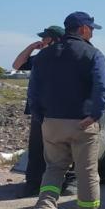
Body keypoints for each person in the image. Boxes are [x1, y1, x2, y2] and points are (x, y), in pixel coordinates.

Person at [29, 12, 105, 209]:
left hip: (51, 122)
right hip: (82, 123)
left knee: (54, 168)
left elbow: (33, 89)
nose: (92, 33)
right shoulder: (93, 54)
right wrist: (95, 115)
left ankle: (44, 208)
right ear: (83, 29)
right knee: (87, 172)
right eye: (91, 29)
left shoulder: (44, 56)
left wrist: (40, 116)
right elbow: (102, 88)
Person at [13, 26, 77, 199]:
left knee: (63, 148)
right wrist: (31, 48)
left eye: (45, 38)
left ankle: (57, 184)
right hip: (48, 110)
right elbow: (17, 65)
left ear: (54, 39)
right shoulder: (41, 57)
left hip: (52, 110)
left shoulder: (61, 56)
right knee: (41, 149)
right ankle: (36, 185)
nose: (42, 41)